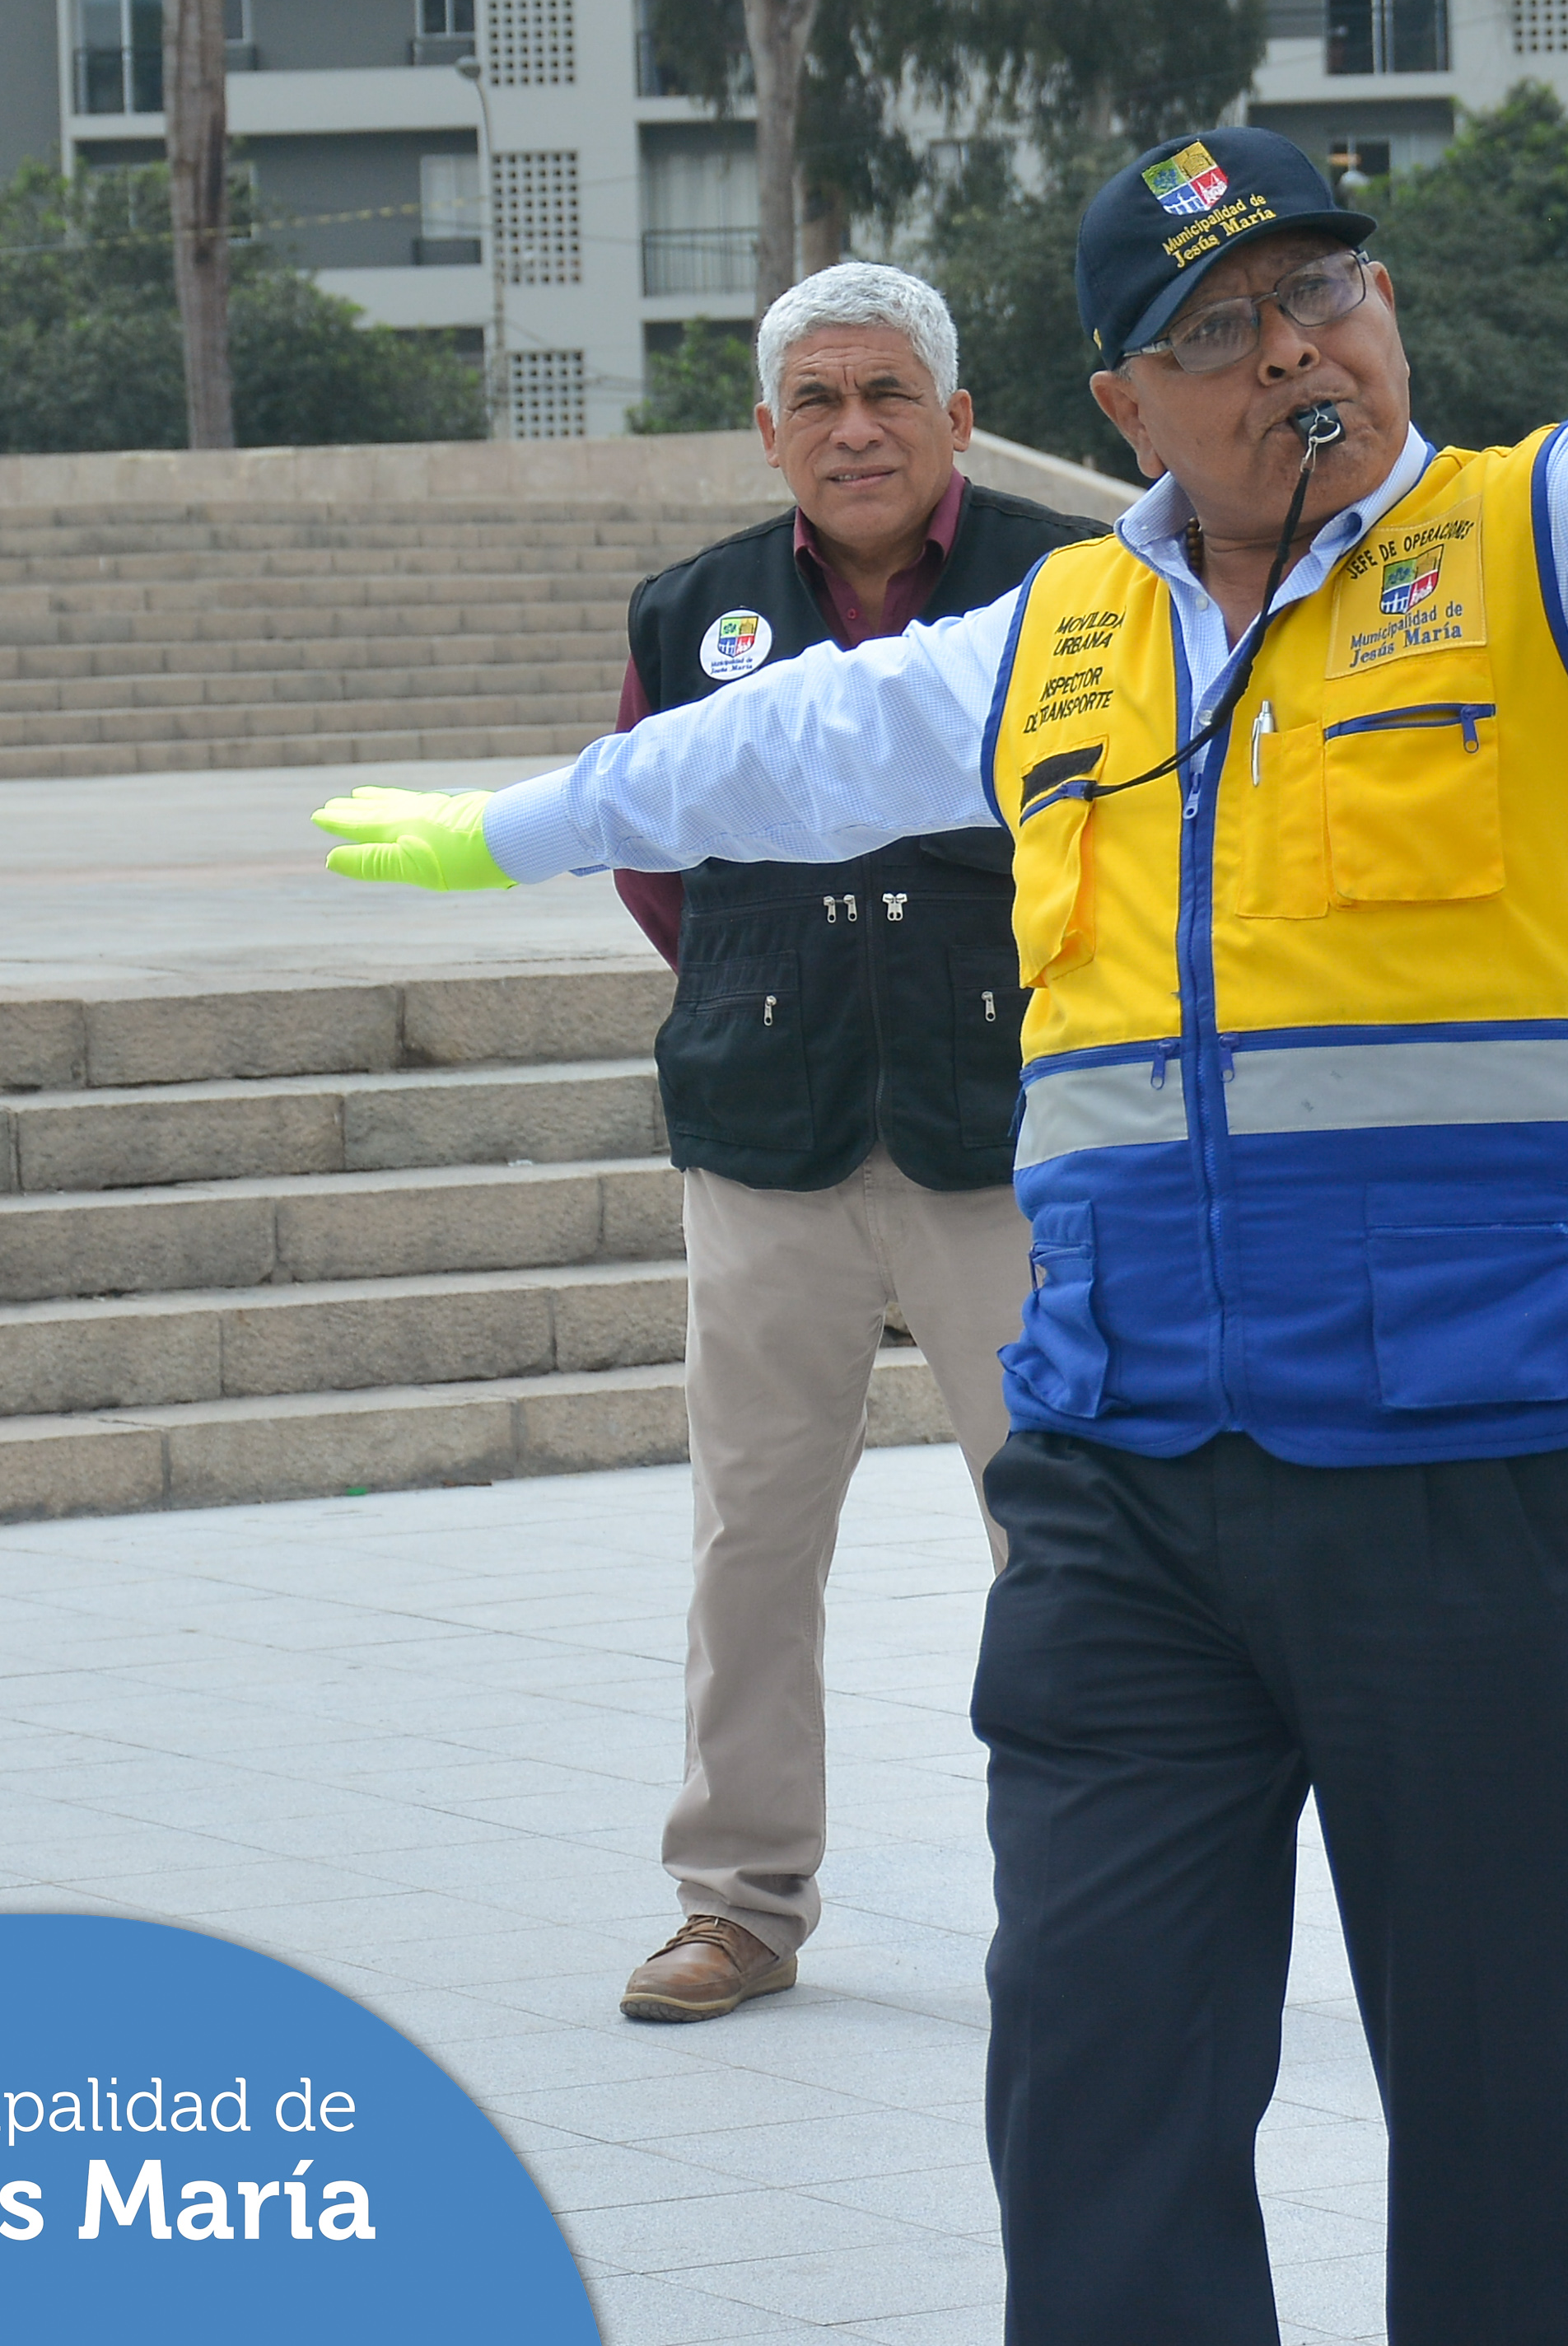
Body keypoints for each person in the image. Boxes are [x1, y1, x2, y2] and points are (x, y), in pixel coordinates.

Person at [312, 0, 1568, 2346]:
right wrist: (526, 823)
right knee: (1096, 2086)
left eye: (1326, 289)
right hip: (1128, 1486)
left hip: (1469, 1464)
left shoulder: (1554, 548)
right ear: (1125, 401)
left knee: (1497, 2090)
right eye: (1227, 322)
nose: (1298, 352)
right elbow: (775, 744)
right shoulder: (1063, 635)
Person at [604, 261, 1101, 2028]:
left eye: (887, 392)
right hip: (765, 1133)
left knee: (1067, 1536)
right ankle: (734, 1899)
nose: (853, 427)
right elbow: (656, 862)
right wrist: (771, 992)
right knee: (750, 1535)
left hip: (1015, 1139)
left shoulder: (1073, 589)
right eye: (813, 400)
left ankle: (1096, 1900)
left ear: (958, 416)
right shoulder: (695, 614)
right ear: (766, 432)